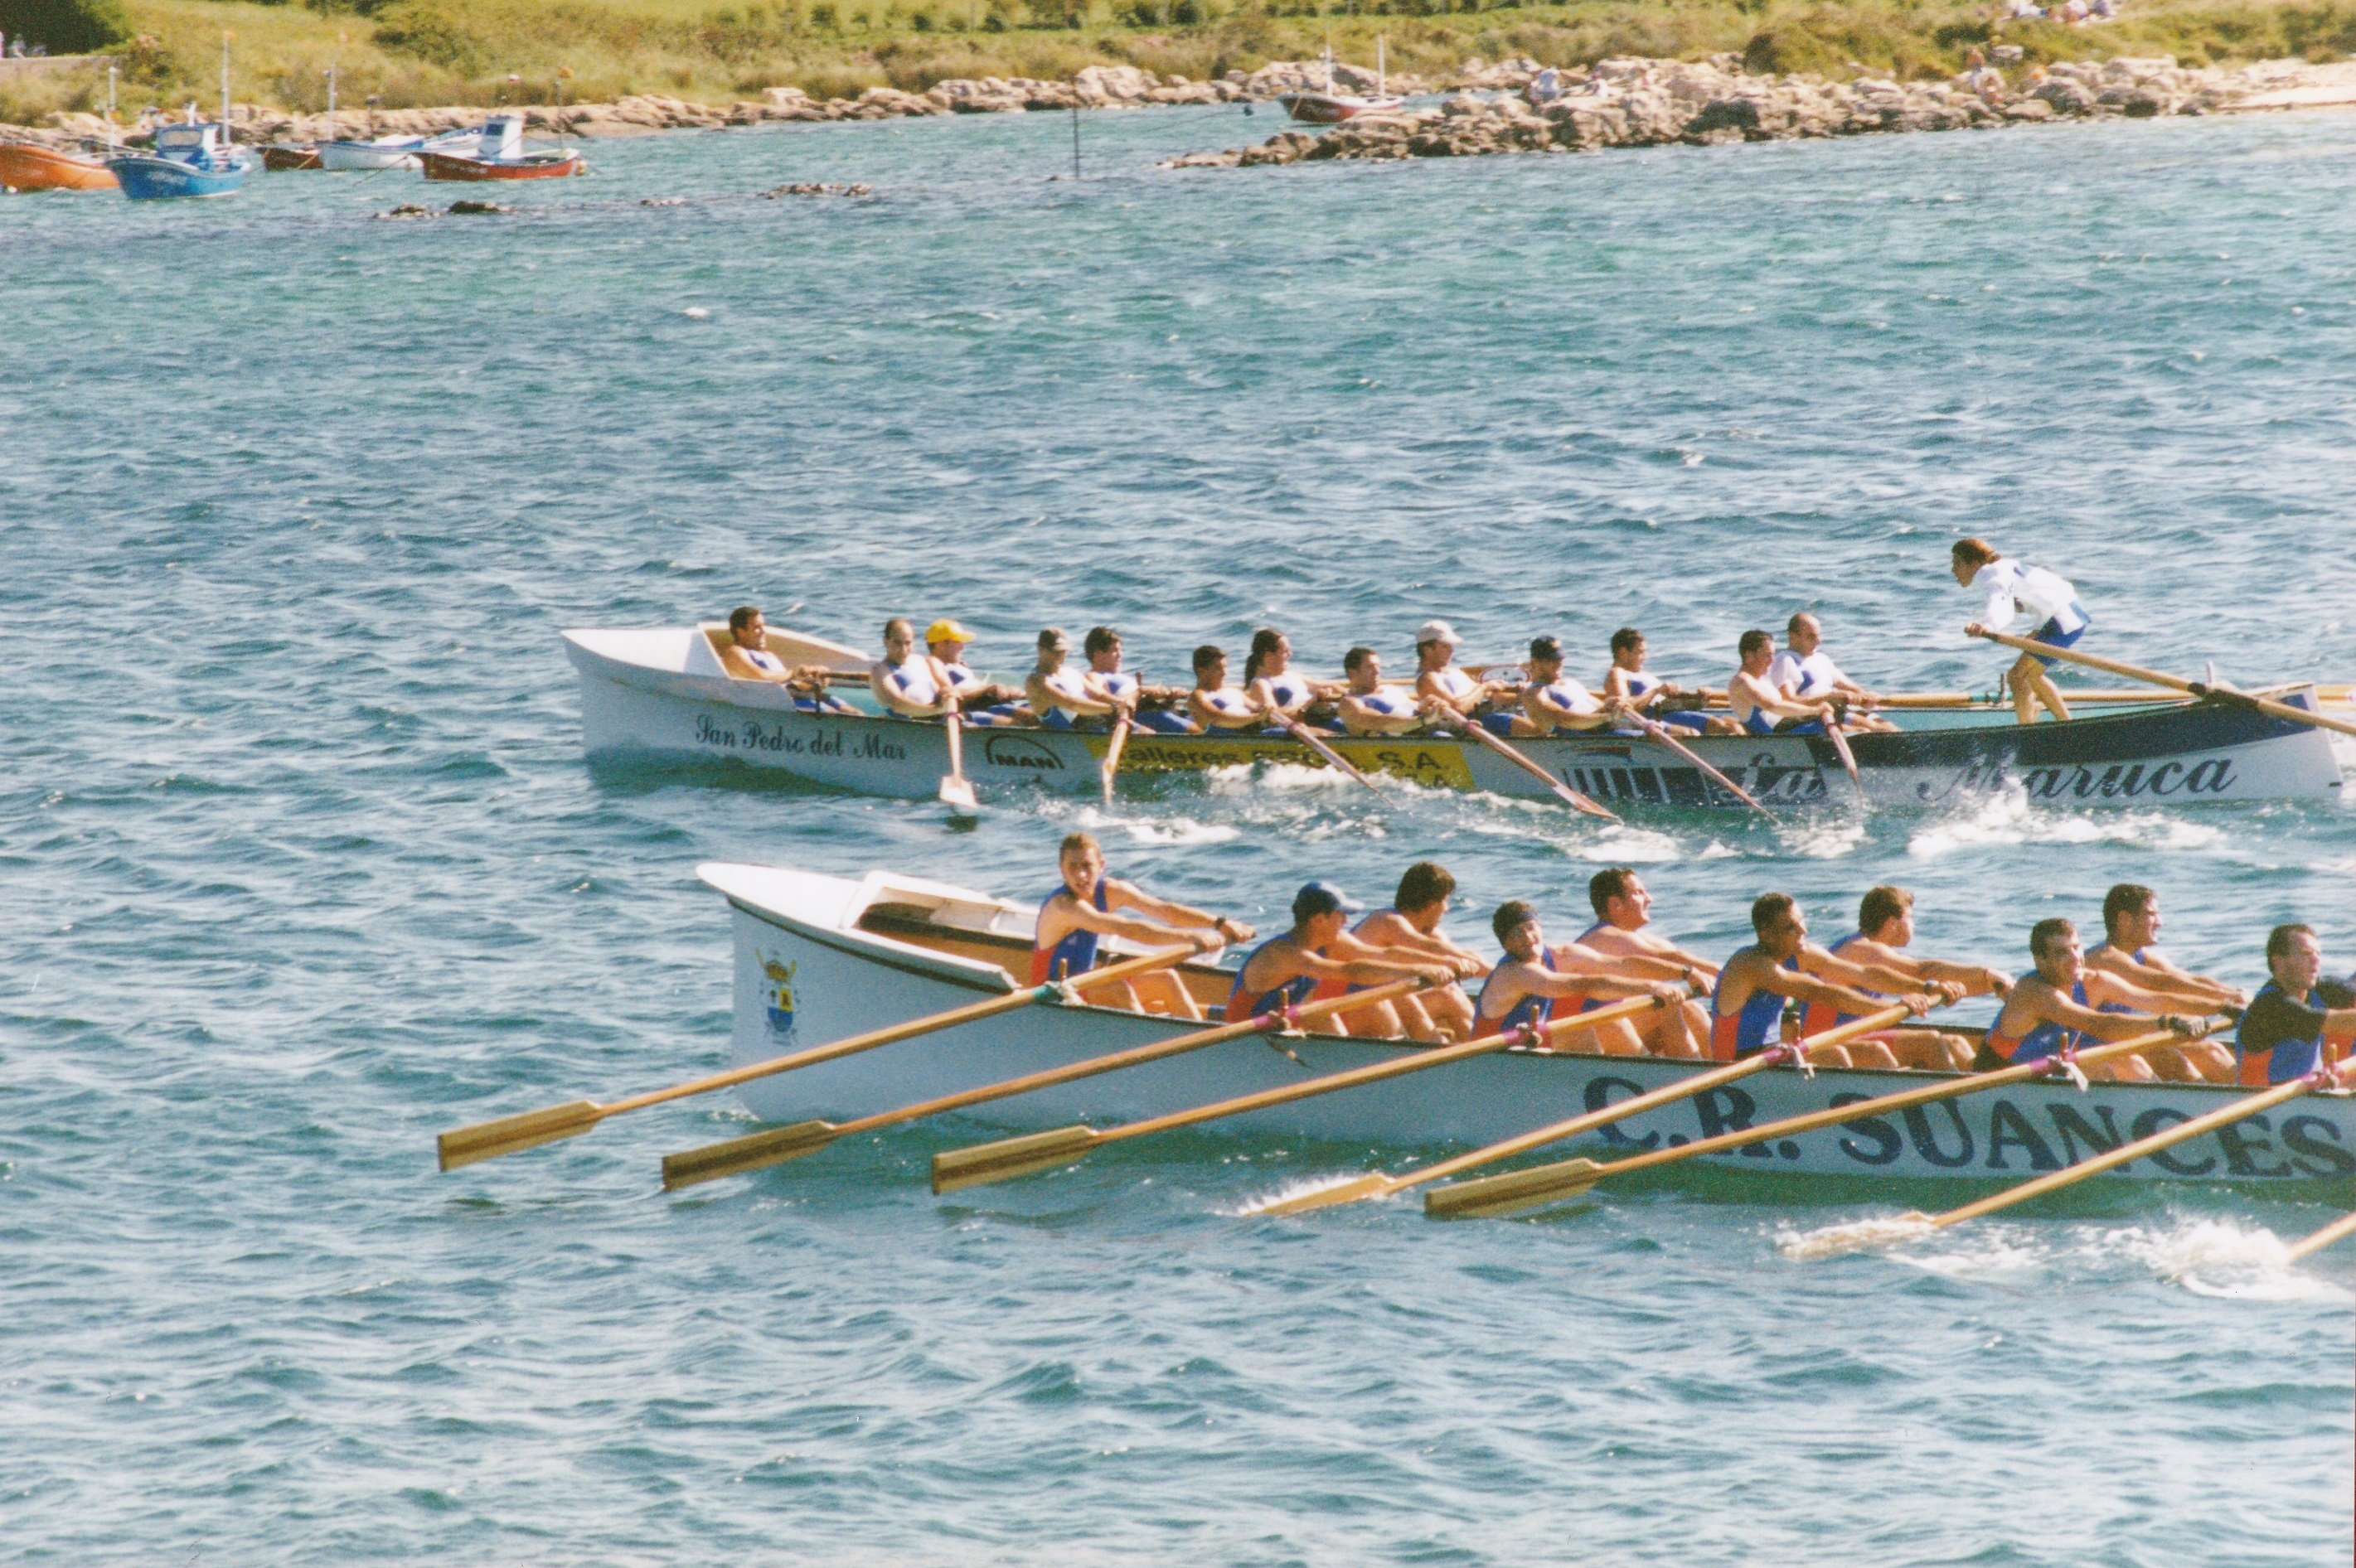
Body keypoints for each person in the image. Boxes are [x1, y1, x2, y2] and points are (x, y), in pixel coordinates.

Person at [1710, 893, 1947, 1069]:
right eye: (1791, 927)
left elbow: (1864, 974)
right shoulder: (1751, 964)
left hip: (1775, 1051)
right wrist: (1894, 1008)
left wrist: (1925, 987)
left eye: (1801, 920)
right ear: (1767, 935)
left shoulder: (1801, 953)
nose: (1803, 930)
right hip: (1738, 1062)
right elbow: (1822, 993)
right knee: (1839, 1056)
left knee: (1877, 1051)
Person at [1032, 833, 1251, 1018]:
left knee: (1167, 979)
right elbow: (1126, 928)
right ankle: (1146, 1050)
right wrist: (1192, 937)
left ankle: (1203, 1046)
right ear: (1062, 869)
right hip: (1051, 995)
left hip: (1083, 985)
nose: (1081, 876)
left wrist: (1219, 923)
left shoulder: (1111, 890)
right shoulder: (1063, 906)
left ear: (1101, 866)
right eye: (1073, 868)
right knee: (1118, 988)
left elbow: (1164, 910)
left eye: (1087, 866)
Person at [1798, 886, 2012, 1070]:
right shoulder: (1861, 950)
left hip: (1854, 1034)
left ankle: (1982, 1095)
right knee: (1929, 1042)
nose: (1913, 925)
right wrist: (1987, 976)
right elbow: (1923, 971)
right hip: (1826, 1041)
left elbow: (1924, 980)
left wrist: (1992, 986)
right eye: (1910, 918)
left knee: (1955, 1042)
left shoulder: (1868, 948)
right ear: (1892, 923)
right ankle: (1958, 1105)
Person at [1980, 918, 2205, 1082]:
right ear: (2040, 961)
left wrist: (2223, 1006)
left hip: (2048, 1072)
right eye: (2061, 953)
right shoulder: (2034, 991)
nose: (2075, 958)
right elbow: (2101, 1024)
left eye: (2076, 948)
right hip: (2000, 1079)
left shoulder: (2090, 981)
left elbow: (2156, 1000)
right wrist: (2167, 1022)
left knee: (2164, 1054)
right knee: (2113, 1064)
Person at [1222, 882, 1457, 1035]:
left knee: (1328, 1013)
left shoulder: (1331, 939)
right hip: (1245, 1035)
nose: (1346, 922)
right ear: (1318, 920)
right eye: (1341, 915)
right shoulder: (1283, 953)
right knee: (1326, 1014)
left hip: (1282, 1025)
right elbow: (1350, 971)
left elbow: (1383, 954)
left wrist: (1440, 965)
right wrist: (1414, 972)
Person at [1472, 901, 1696, 1054]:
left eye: (1530, 928)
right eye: (1516, 933)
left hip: (1528, 1050)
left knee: (1665, 1011)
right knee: (1579, 1029)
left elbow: (1622, 964)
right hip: (1493, 1059)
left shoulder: (1561, 955)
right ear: (1505, 945)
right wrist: (1652, 987)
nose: (1528, 938)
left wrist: (1686, 973)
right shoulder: (1514, 973)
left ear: (1540, 927)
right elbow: (1584, 984)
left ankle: (1675, 1081)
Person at [2083, 883, 2243, 1080]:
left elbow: (2187, 979)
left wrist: (2237, 995)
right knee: (2169, 1058)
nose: (2160, 922)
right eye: (2151, 914)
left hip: (2116, 1044)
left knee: (2212, 1051)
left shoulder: (2142, 956)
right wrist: (2226, 1003)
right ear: (2124, 919)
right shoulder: (2105, 958)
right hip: (2085, 1051)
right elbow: (2163, 984)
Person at [1323, 862, 1490, 1040]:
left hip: (1376, 1007)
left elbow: (1462, 955)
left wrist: (1500, 974)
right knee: (1428, 997)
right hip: (1341, 1009)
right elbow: (1424, 946)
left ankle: (1479, 1051)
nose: (1447, 909)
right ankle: (1451, 1053)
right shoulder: (1386, 921)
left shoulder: (1430, 933)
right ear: (1432, 904)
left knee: (1448, 993)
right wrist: (1461, 964)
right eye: (1446, 901)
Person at [1574, 868, 1717, 1057]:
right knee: (1667, 1008)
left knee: (1689, 1008)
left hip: (1614, 1026)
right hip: (1587, 1034)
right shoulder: (1603, 936)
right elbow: (1664, 959)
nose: (1649, 899)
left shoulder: (1634, 937)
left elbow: (1673, 954)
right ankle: (1696, 1074)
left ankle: (1720, 1065)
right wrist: (1694, 973)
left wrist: (1725, 974)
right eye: (1638, 893)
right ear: (1616, 904)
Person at [1953, 537, 2092, 725]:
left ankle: (2034, 727)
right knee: (2031, 675)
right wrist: (2037, 628)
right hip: (2066, 614)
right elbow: (2044, 592)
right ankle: (2059, 722)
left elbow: (2001, 606)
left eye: (1957, 563)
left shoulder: (1989, 573)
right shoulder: (2003, 567)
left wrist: (1987, 625)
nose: (1953, 570)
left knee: (2018, 676)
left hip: (2065, 618)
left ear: (1975, 563)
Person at [2234, 924, 2356, 1086]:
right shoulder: (2271, 1005)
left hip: (2306, 1091)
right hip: (2265, 1099)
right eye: (2306, 954)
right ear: (2278, 963)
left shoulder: (2322, 989)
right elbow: (2337, 1022)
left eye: (2317, 954)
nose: (2316, 960)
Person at [1768, 613, 1894, 732]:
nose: (1818, 641)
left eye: (1818, 635)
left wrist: (1867, 696)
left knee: (1890, 729)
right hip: (1815, 718)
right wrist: (1830, 697)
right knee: (1875, 730)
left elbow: (1851, 688)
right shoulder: (1785, 661)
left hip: (1839, 710)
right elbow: (1789, 701)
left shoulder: (1822, 659)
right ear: (1793, 637)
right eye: (1811, 636)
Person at [1727, 630, 1845, 736]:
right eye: (1767, 655)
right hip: (1776, 738)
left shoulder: (1760, 680)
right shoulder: (1742, 682)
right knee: (1832, 722)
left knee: (1837, 708)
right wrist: (1815, 710)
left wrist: (1817, 708)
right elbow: (1772, 705)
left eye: (1772, 655)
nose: (1772, 660)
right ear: (1749, 656)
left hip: (1787, 728)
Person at [1600, 627, 1716, 735]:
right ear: (1623, 652)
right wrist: (1656, 691)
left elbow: (1668, 703)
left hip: (1667, 712)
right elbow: (1622, 709)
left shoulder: (1644, 675)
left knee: (1729, 722)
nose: (1645, 657)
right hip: (1651, 719)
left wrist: (1700, 698)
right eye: (1641, 652)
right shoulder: (1617, 673)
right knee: (1718, 726)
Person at [718, 605, 842, 704]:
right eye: (757, 627)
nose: (763, 632)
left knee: (851, 711)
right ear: (741, 632)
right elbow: (761, 676)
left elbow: (787, 685)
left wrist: (816, 682)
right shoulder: (735, 652)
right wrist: (794, 673)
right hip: (774, 703)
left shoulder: (768, 655)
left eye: (763, 626)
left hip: (790, 697)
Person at [1082, 626, 1192, 733]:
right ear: (1098, 654)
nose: (1120, 655)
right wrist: (1141, 691)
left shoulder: (1121, 677)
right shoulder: (1094, 676)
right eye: (1114, 650)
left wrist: (1169, 698)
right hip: (1145, 717)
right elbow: (1102, 704)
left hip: (1157, 712)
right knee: (1196, 730)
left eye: (1121, 650)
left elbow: (1140, 701)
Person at [1506, 636, 1618, 739]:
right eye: (1552, 660)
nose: (1559, 663)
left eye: (1560, 658)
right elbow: (1563, 719)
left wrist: (1611, 706)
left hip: (1605, 729)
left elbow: (1600, 708)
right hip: (1585, 739)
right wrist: (1606, 718)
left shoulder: (1570, 683)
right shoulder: (1534, 695)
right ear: (1535, 662)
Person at [1413, 621, 1514, 724]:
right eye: (1445, 646)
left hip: (1486, 714)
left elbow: (1486, 696)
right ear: (1428, 650)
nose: (1452, 650)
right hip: (1468, 725)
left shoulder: (1453, 672)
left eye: (1450, 646)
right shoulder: (1427, 679)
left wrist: (1519, 694)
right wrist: (1484, 687)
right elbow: (1457, 709)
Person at [1025, 627, 1123, 730]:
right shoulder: (1036, 681)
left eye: (1063, 651)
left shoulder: (1071, 672)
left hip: (1099, 723)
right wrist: (1113, 709)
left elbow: (1099, 694)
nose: (1060, 656)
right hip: (1075, 733)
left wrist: (1122, 704)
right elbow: (1072, 704)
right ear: (1040, 649)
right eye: (1055, 651)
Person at [1242, 627, 1334, 731]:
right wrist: (1310, 703)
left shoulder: (1292, 675)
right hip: (1299, 729)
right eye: (1285, 651)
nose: (1290, 654)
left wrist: (1329, 691)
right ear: (1269, 656)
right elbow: (1272, 718)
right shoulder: (1260, 684)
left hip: (1321, 719)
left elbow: (1324, 686)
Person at [926, 619, 1024, 711]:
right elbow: (951, 695)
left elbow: (979, 687)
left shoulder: (959, 666)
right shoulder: (934, 666)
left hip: (988, 703)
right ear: (942, 645)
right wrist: (986, 690)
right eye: (958, 642)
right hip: (972, 709)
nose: (962, 647)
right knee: (1025, 714)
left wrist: (1007, 691)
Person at [870, 617, 957, 719]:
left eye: (908, 643)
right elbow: (898, 705)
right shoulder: (880, 671)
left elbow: (938, 693)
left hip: (938, 720)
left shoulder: (920, 662)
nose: (903, 649)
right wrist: (936, 710)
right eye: (897, 643)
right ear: (885, 642)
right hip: (912, 727)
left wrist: (947, 695)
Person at [1332, 646, 1428, 737]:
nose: (1377, 671)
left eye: (1378, 666)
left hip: (1424, 727)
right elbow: (1380, 722)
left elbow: (1415, 709)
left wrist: (1427, 707)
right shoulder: (1350, 703)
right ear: (1352, 673)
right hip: (1408, 737)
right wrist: (1424, 720)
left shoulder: (1391, 689)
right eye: (1370, 667)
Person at [1188, 645, 1263, 733]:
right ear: (1201, 671)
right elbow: (1217, 718)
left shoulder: (1233, 692)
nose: (1224, 673)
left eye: (1225, 667)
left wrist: (1266, 710)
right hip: (1225, 738)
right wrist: (1256, 718)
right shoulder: (1198, 696)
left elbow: (1257, 708)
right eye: (1218, 668)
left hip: (1252, 733)